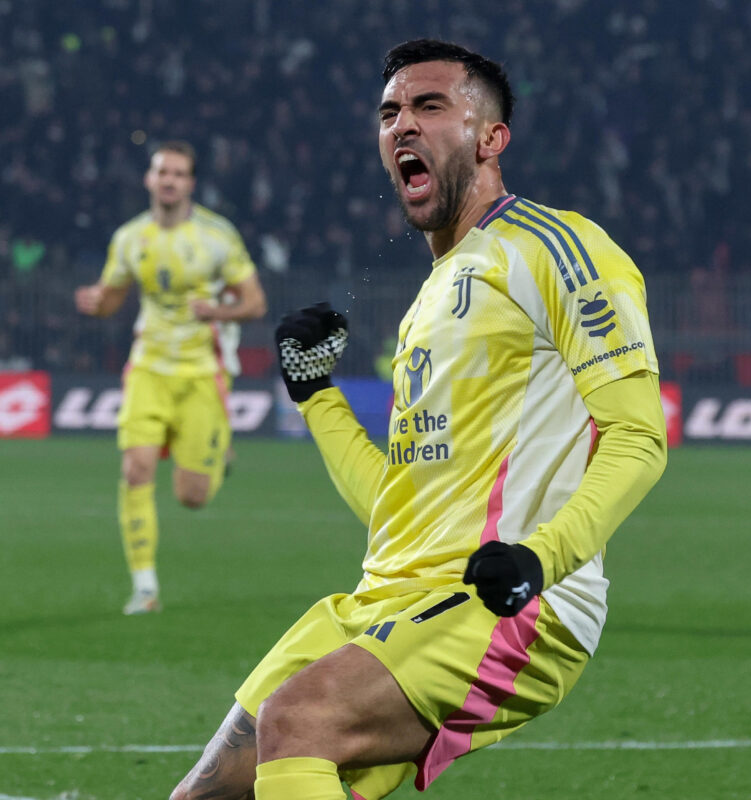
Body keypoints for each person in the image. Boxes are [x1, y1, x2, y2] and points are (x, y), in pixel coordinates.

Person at [171, 40, 667, 799]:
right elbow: (395, 508)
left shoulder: (556, 249)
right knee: (208, 794)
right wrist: (318, 397)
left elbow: (638, 436)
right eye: (390, 112)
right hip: (385, 598)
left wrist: (540, 558)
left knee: (298, 720)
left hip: (509, 603)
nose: (403, 124)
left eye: (430, 106)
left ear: (489, 137)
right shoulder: (432, 299)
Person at [75, 140, 266, 615]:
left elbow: (255, 303)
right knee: (135, 468)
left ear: (190, 184)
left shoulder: (217, 236)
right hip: (148, 367)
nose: (169, 181)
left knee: (192, 496)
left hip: (202, 371)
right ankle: (145, 588)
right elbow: (114, 297)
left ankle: (217, 454)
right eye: (162, 172)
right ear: (149, 179)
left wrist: (217, 310)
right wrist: (99, 303)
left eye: (179, 174)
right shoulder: (129, 238)